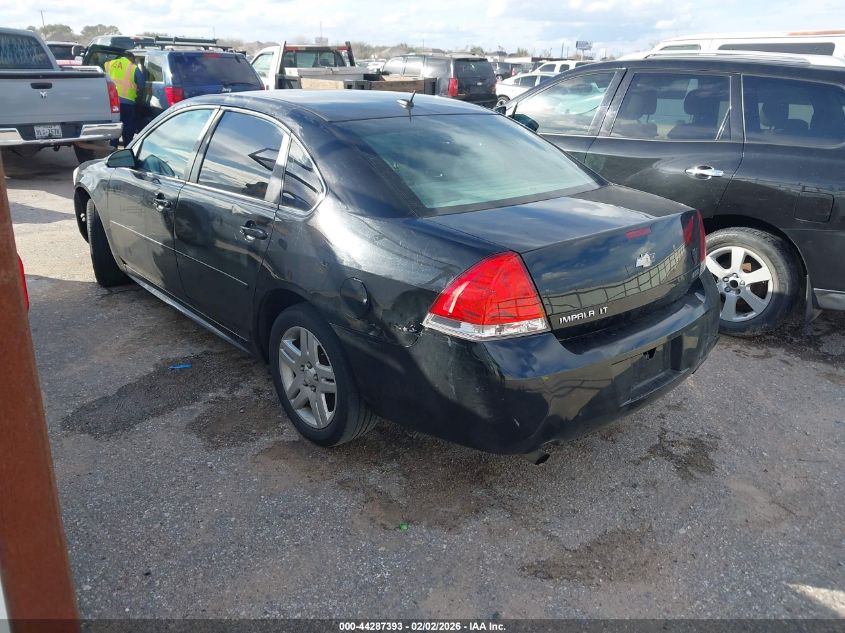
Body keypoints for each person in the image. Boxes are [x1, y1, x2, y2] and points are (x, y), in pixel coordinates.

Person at [104, 51, 145, 148]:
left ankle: (112, 150)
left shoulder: (109, 64)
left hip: (112, 103)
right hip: (127, 103)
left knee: (114, 127)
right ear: (130, 58)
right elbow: (142, 85)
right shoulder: (133, 67)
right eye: (134, 60)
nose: (134, 62)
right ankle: (127, 150)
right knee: (127, 129)